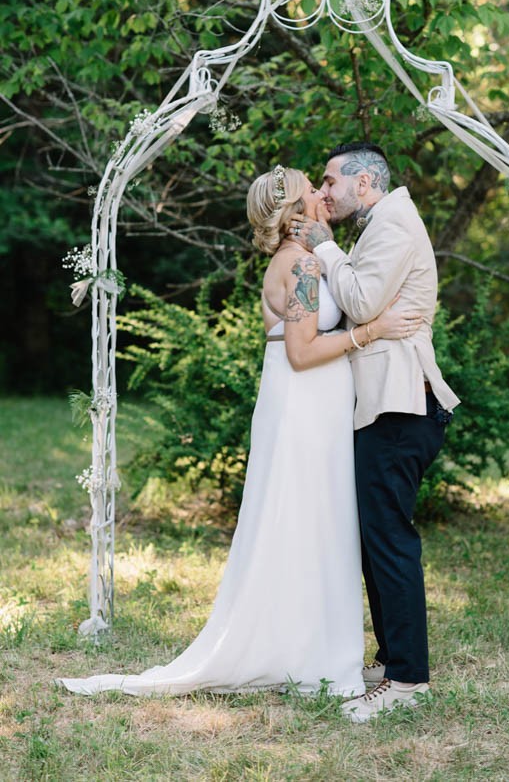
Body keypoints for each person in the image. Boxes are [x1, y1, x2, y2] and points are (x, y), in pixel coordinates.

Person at [57, 165, 423, 698]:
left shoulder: (303, 260)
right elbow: (300, 353)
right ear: (297, 210)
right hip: (304, 404)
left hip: (313, 405)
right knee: (305, 520)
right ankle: (305, 651)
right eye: (313, 189)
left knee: (317, 522)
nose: (324, 194)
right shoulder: (299, 265)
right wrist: (371, 331)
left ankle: (310, 645)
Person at [290, 143, 460, 722]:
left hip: (403, 404)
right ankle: (392, 663)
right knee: (374, 537)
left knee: (389, 540)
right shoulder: (381, 223)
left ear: (364, 182)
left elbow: (361, 301)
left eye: (331, 179)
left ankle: (409, 681)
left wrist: (325, 248)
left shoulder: (394, 224)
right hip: (383, 405)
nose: (325, 189)